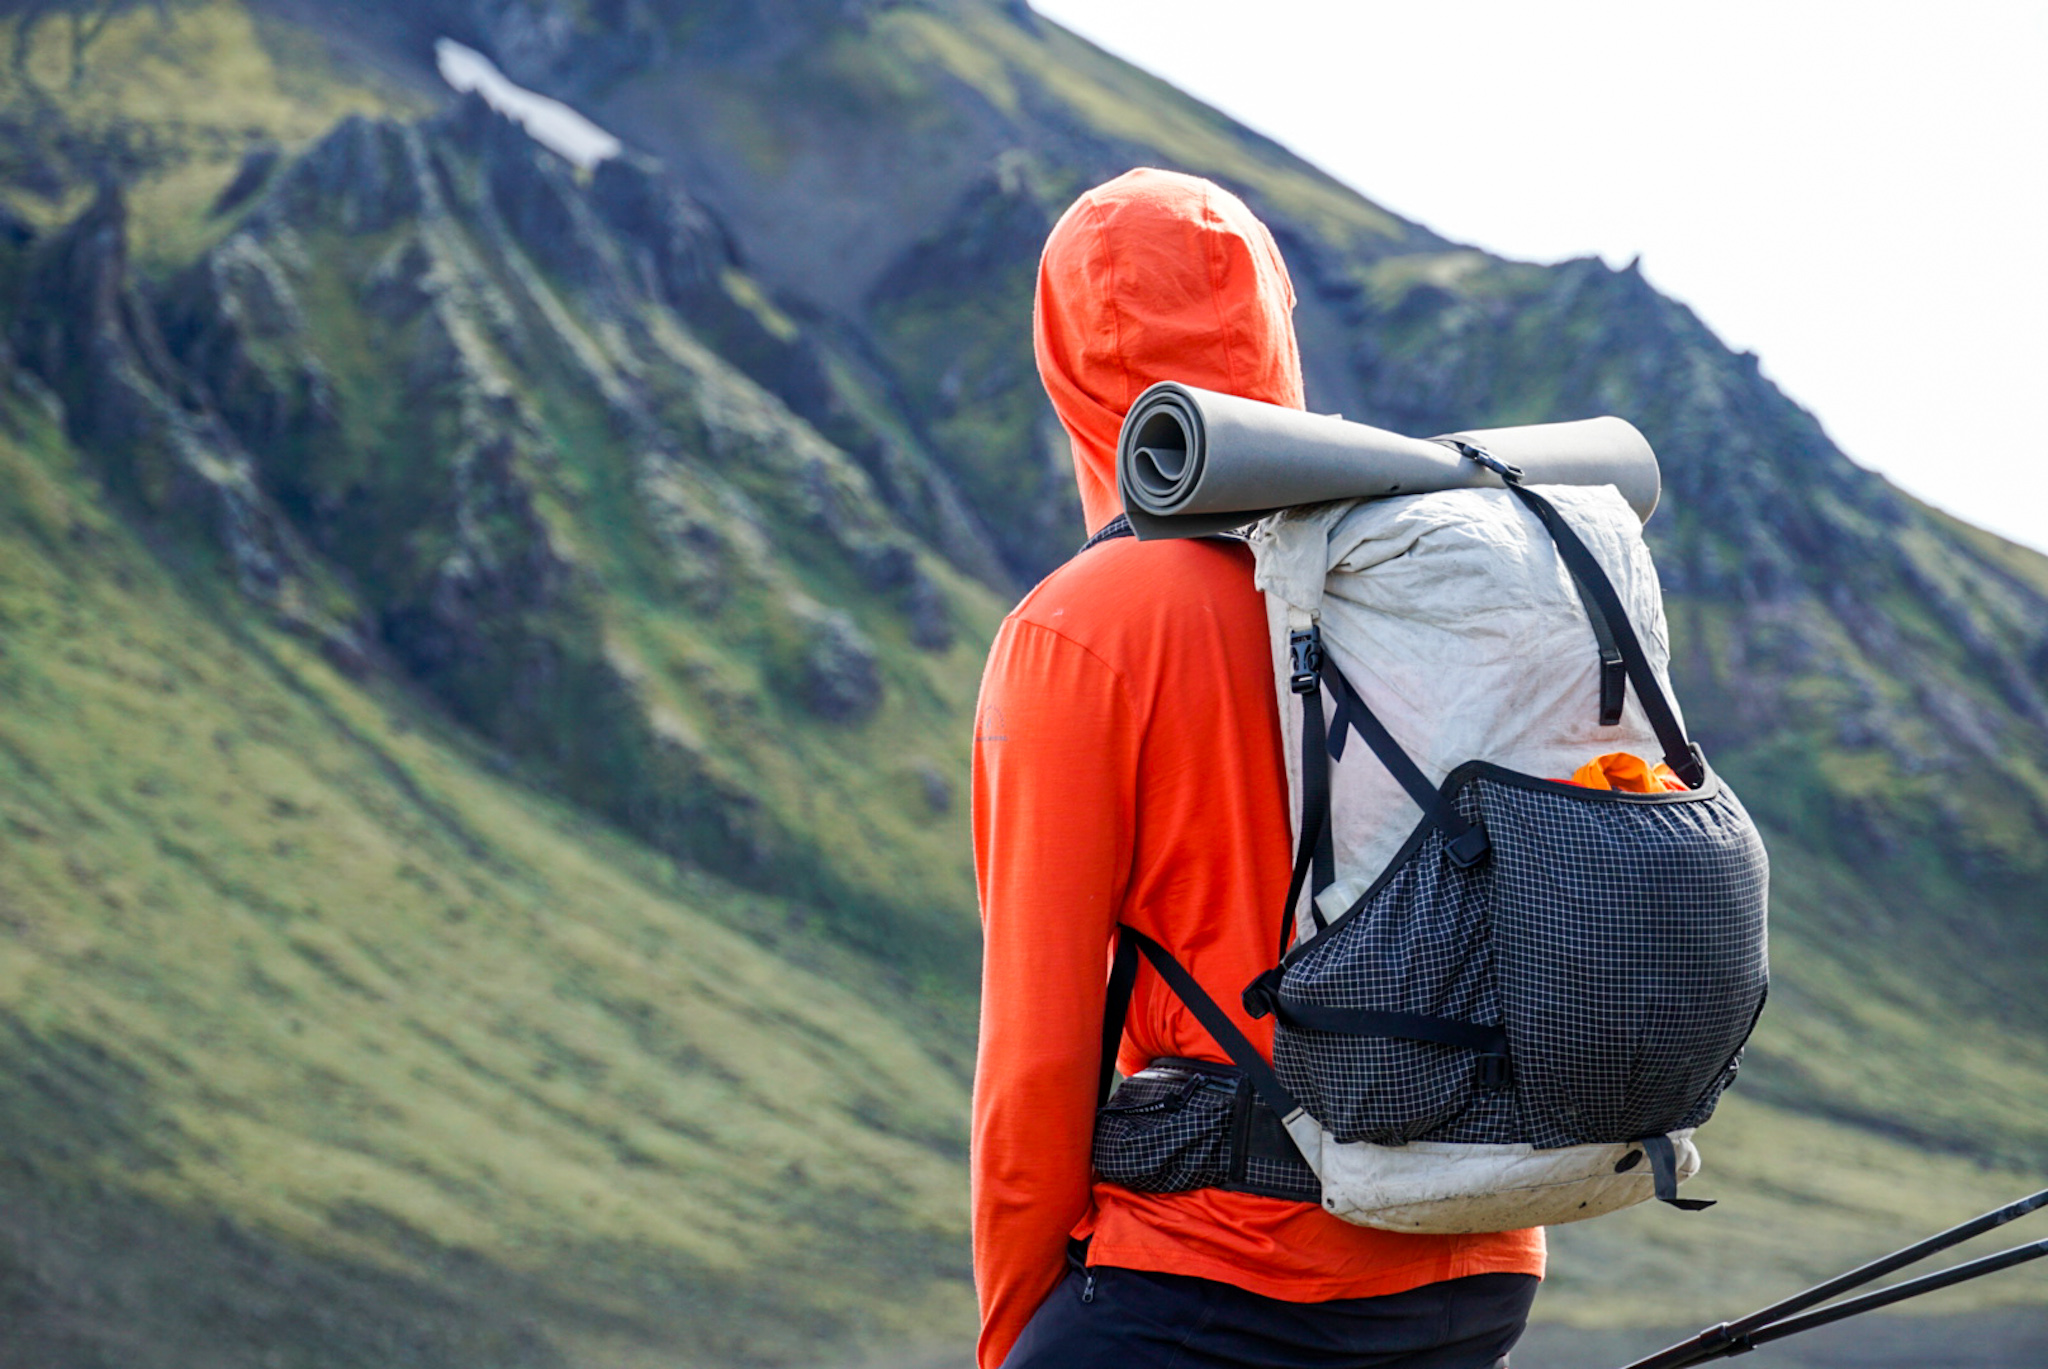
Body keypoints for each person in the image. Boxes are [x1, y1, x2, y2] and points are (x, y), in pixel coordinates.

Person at [970, 169, 1546, 1369]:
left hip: (1221, 1286)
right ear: (1275, 329)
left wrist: (1017, 1336)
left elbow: (1038, 1062)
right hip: (1475, 1259)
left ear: (1066, 370)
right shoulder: (1425, 570)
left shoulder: (1081, 630)